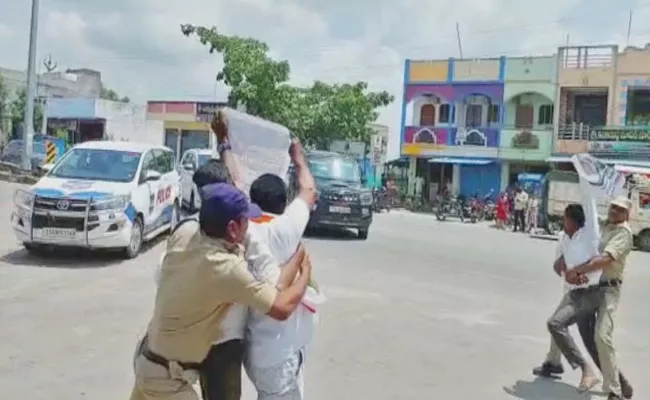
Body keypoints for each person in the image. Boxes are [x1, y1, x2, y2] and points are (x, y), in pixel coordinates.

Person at [130, 182, 312, 400]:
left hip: (148, 358)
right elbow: (282, 307)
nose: (251, 226)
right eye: (247, 221)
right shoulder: (225, 268)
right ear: (233, 228)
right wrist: (304, 271)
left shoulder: (185, 232)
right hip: (166, 380)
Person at [243, 145, 319, 399]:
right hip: (278, 354)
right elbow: (309, 190)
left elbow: (232, 180)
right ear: (284, 202)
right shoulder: (285, 228)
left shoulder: (241, 230)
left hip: (255, 346)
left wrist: (225, 144)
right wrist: (299, 160)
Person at [566, 196, 634, 400]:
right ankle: (619, 382)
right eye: (613, 206)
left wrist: (578, 269)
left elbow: (604, 259)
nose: (614, 211)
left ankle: (615, 390)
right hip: (590, 288)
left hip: (608, 291)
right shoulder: (604, 225)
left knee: (602, 336)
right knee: (564, 324)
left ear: (626, 214)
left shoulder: (624, 233)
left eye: (619, 209)